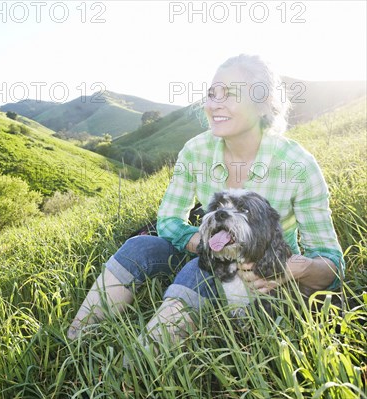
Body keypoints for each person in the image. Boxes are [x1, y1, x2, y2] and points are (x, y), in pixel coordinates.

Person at [66, 54, 345, 349]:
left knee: (198, 270)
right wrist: (206, 245)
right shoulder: (196, 150)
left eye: (232, 94)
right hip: (206, 251)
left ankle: (132, 374)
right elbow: (169, 221)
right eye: (212, 93)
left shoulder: (297, 164)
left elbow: (330, 262)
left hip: (260, 274)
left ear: (263, 104)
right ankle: (73, 344)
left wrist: (295, 268)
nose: (215, 104)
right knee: (140, 246)